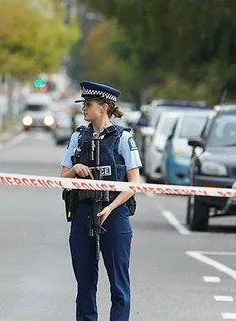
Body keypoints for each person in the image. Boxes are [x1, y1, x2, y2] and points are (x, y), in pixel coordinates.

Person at [60, 81, 142, 321]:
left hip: (115, 213)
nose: (84, 109)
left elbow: (134, 184)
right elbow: (63, 179)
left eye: (88, 105)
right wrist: (76, 168)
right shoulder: (77, 137)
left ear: (104, 107)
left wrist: (110, 207)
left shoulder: (123, 138)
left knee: (119, 284)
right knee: (84, 281)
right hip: (83, 210)